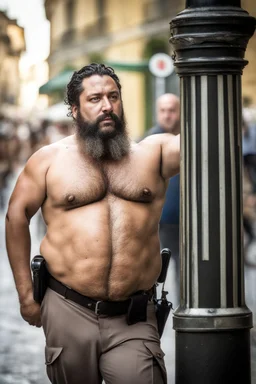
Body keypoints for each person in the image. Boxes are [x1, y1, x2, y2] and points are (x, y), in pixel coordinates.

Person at [5, 63, 180, 384]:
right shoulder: (48, 160)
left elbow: (203, 142)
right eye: (95, 98)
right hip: (67, 306)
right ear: (74, 109)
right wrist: (25, 294)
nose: (107, 106)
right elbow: (16, 217)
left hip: (134, 315)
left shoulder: (152, 153)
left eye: (113, 97)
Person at [140, 93, 180, 309]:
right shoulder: (147, 142)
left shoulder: (188, 139)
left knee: (185, 274)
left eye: (172, 110)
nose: (168, 115)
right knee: (152, 272)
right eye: (163, 110)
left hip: (186, 223)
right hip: (158, 223)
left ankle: (184, 312)